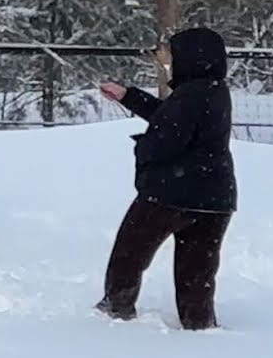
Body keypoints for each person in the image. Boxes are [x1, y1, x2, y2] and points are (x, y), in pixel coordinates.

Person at [94, 26, 237, 331]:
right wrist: (128, 96)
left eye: (173, 54)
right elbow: (170, 118)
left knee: (130, 254)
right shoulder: (215, 91)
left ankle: (114, 313)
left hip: (172, 193)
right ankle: (200, 327)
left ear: (191, 56)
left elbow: (165, 138)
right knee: (197, 273)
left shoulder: (190, 94)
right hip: (216, 197)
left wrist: (143, 149)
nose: (169, 61)